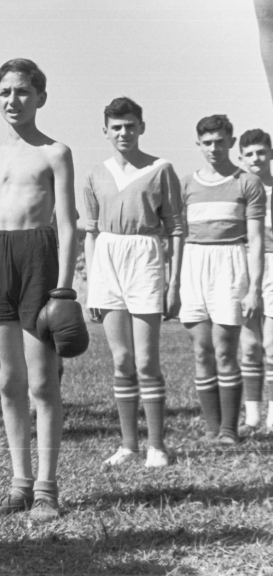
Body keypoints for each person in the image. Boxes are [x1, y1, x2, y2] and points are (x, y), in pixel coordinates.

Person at [0, 59, 78, 522]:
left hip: (37, 260)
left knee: (42, 381)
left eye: (24, 91)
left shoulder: (56, 153)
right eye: (6, 92)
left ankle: (47, 489)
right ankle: (19, 485)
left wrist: (65, 290)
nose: (14, 100)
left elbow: (67, 225)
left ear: (41, 97)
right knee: (8, 381)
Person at [83, 97, 184, 468]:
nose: (124, 132)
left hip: (145, 256)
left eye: (130, 125)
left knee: (146, 359)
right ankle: (128, 445)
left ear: (141, 127)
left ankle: (156, 446)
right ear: (106, 131)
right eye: (116, 127)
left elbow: (175, 228)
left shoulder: (161, 169)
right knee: (122, 359)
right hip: (107, 259)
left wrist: (174, 284)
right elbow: (91, 233)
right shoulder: (95, 173)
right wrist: (93, 281)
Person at [180, 115, 265, 445]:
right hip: (194, 262)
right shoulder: (186, 184)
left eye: (220, 141)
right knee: (202, 351)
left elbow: (256, 239)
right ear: (198, 145)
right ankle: (211, 428)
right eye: (208, 142)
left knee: (226, 350)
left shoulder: (247, 183)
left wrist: (254, 288)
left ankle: (229, 430)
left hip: (231, 262)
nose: (214, 148)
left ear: (232, 142)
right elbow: (176, 234)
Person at [238, 128, 273, 431]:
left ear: (271, 153)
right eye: (249, 154)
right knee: (250, 346)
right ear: (241, 158)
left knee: (272, 345)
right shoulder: (240, 189)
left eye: (261, 152)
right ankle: (252, 415)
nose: (256, 158)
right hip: (244, 265)